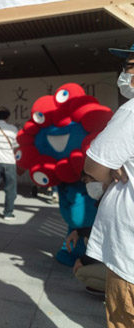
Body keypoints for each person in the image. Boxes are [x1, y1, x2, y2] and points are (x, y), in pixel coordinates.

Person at [83, 43, 134, 328]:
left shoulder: (131, 112)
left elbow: (94, 166)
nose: (124, 73)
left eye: (128, 66)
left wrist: (110, 169)